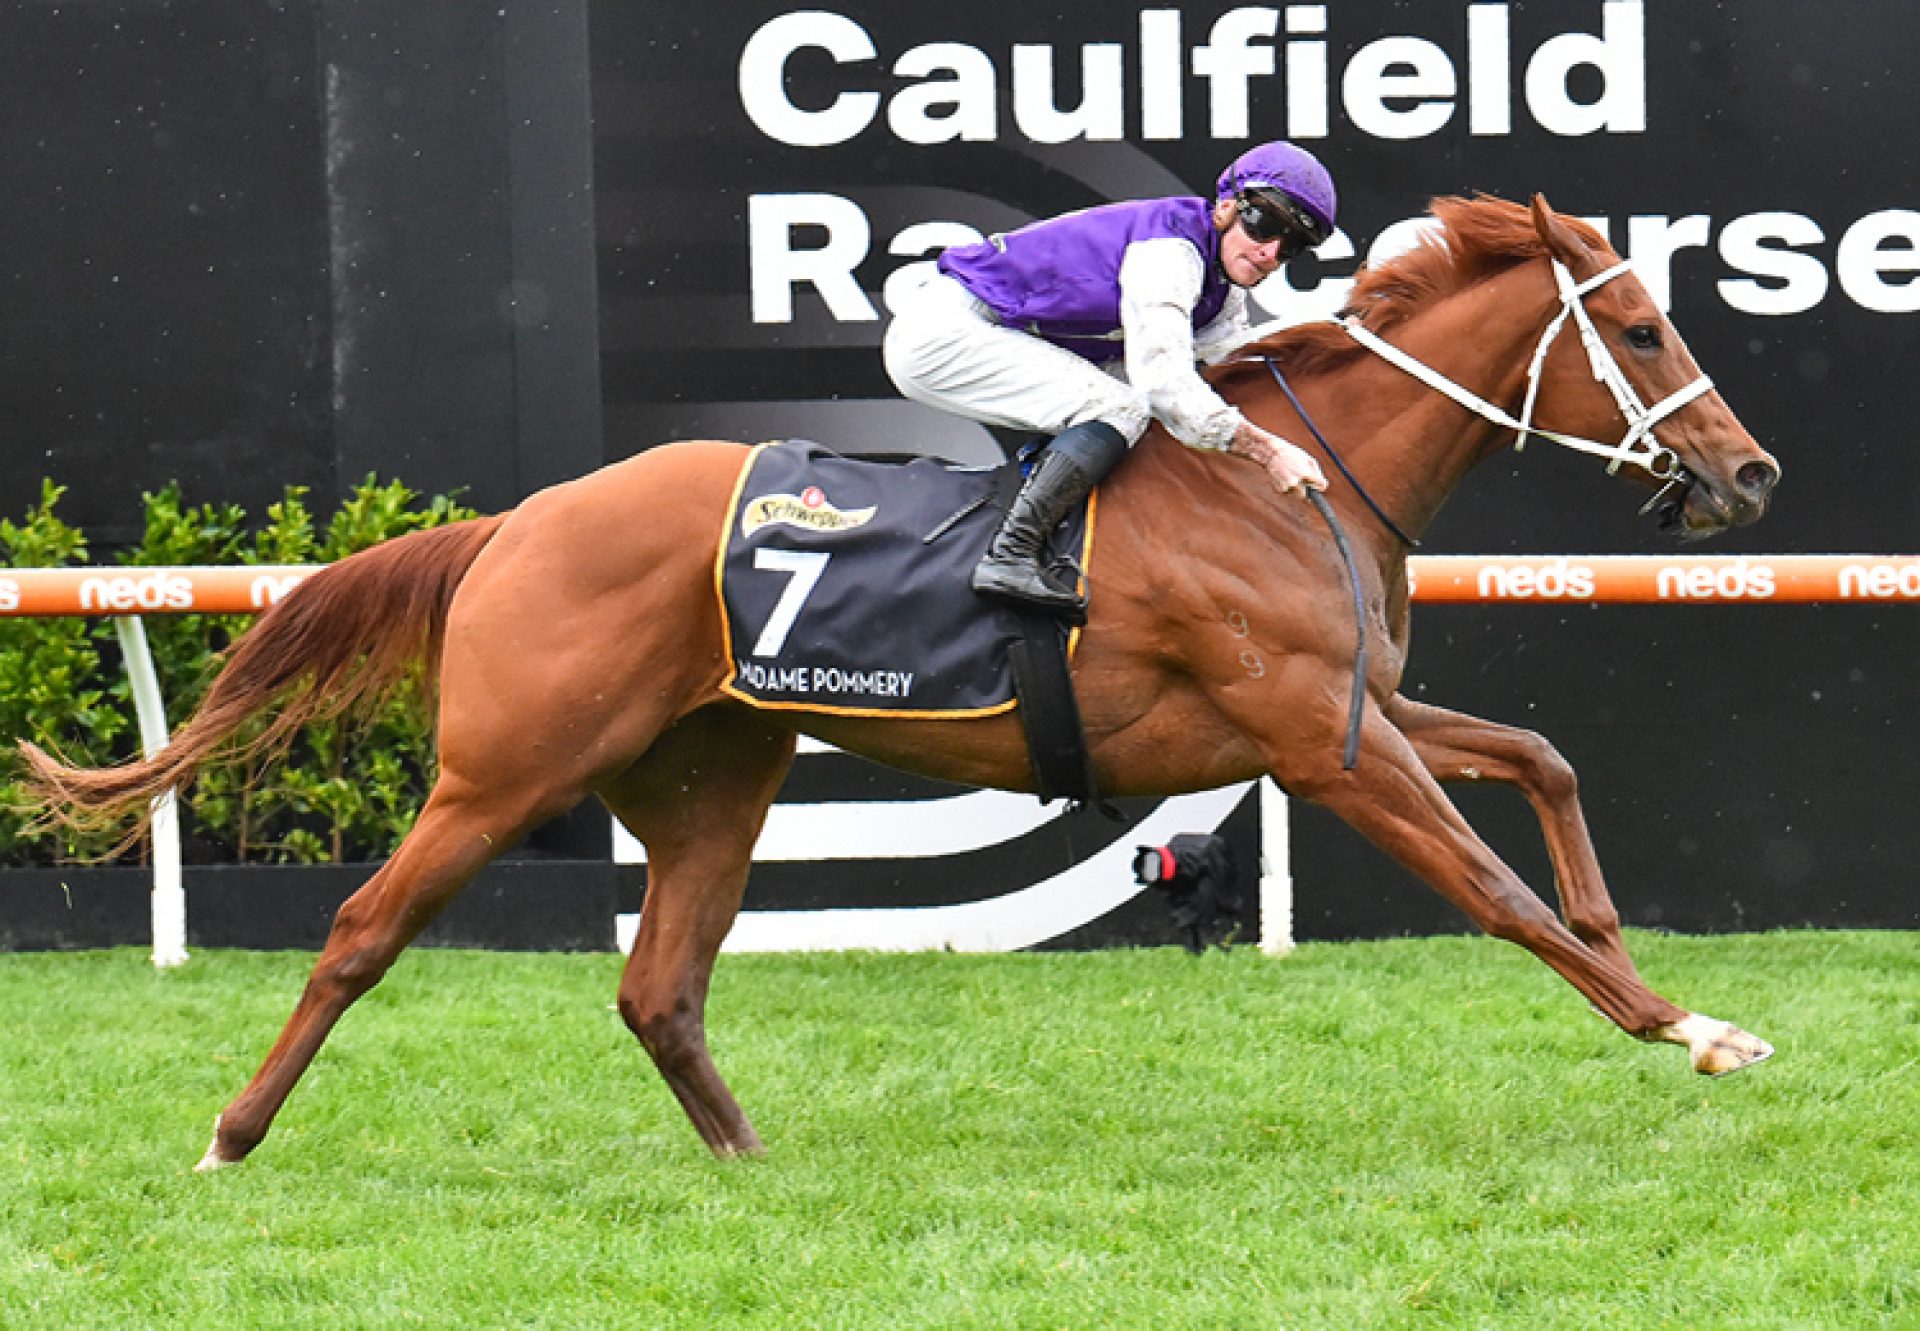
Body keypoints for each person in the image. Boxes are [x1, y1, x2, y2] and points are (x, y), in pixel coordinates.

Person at [883, 140, 1336, 621]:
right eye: (1264, 224)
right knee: (1121, 408)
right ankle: (1011, 553)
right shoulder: (1171, 251)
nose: (1270, 252)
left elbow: (1238, 367)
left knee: (1129, 405)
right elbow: (1165, 386)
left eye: (1292, 246)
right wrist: (1268, 453)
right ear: (1227, 206)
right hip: (945, 331)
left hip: (987, 326)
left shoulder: (1222, 291)